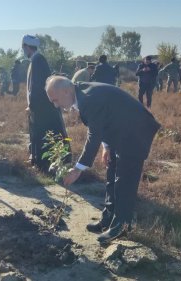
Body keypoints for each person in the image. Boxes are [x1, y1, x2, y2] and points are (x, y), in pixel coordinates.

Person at [45, 76, 161, 243]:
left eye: (55, 100)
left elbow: (93, 135)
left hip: (135, 132)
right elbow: (104, 120)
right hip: (120, 131)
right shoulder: (80, 92)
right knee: (111, 176)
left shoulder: (88, 99)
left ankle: (121, 227)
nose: (56, 105)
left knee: (124, 182)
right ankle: (108, 219)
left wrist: (78, 169)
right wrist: (107, 147)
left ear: (65, 91)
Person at [22, 34, 71, 172]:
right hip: (41, 107)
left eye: (23, 48)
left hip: (42, 108)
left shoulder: (38, 60)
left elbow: (37, 87)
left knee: (45, 134)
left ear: (27, 47)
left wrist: (31, 106)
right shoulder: (36, 60)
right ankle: (40, 162)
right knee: (42, 134)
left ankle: (45, 165)